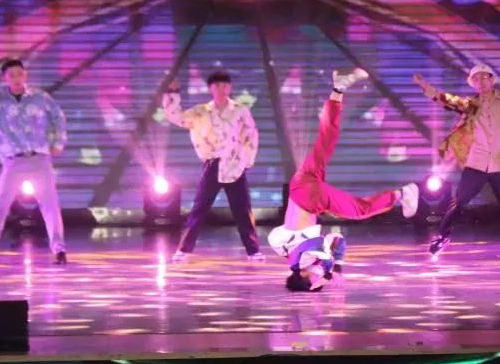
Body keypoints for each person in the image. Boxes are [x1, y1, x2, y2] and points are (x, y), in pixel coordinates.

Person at [267, 68, 418, 257]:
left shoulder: (302, 251)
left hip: (310, 198)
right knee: (326, 137)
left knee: (360, 209)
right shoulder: (291, 243)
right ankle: (338, 89)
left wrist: (332, 265)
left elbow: (329, 246)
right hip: (300, 182)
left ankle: (402, 193)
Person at [0, 59, 69, 264]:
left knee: (50, 206)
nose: (16, 79)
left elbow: (58, 117)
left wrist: (58, 142)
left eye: (20, 74)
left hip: (39, 158)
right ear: (5, 78)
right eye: (11, 75)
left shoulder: (40, 98)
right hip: (13, 160)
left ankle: (59, 250)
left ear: (25, 75)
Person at [413, 64, 500, 261]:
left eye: (484, 77)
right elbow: (448, 101)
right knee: (459, 202)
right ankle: (443, 237)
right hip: (477, 162)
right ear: (473, 83)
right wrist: (425, 86)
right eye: (476, 79)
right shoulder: (471, 104)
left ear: (492, 79)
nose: (481, 82)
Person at [163, 70, 262, 262]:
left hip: (235, 164)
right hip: (213, 164)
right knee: (200, 208)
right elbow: (177, 117)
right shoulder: (201, 111)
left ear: (230, 87)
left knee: (243, 209)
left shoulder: (240, 110)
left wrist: (247, 161)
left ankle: (253, 251)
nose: (221, 89)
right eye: (217, 85)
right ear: (211, 88)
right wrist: (172, 94)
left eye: (225, 85)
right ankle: (184, 250)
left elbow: (251, 135)